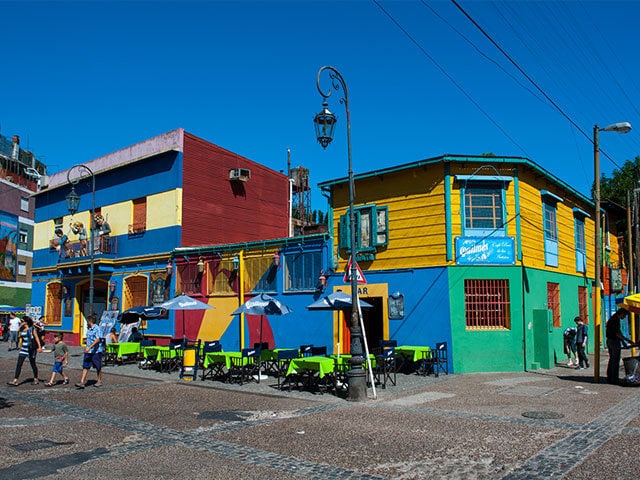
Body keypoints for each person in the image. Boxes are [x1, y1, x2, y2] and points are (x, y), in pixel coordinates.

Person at [6, 316, 42, 386]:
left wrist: (39, 347)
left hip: (31, 349)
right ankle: (15, 380)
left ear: (26, 322)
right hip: (23, 349)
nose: (21, 322)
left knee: (33, 364)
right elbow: (18, 334)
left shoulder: (32, 329)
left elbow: (36, 338)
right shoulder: (22, 329)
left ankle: (35, 378)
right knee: (19, 364)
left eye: (22, 321)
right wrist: (20, 326)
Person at [75, 314, 103, 389]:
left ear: (90, 321)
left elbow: (98, 339)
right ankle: (82, 382)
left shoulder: (97, 328)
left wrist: (90, 347)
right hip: (88, 351)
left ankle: (99, 380)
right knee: (85, 366)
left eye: (87, 321)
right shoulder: (89, 329)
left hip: (96, 351)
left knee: (98, 366)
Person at [606, 308, 631, 385]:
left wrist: (623, 341)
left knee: (612, 359)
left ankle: (610, 377)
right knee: (615, 360)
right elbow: (617, 333)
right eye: (625, 315)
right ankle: (614, 379)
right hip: (613, 341)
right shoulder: (615, 320)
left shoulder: (613, 319)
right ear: (622, 313)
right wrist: (626, 340)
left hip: (611, 340)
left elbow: (618, 332)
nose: (624, 317)